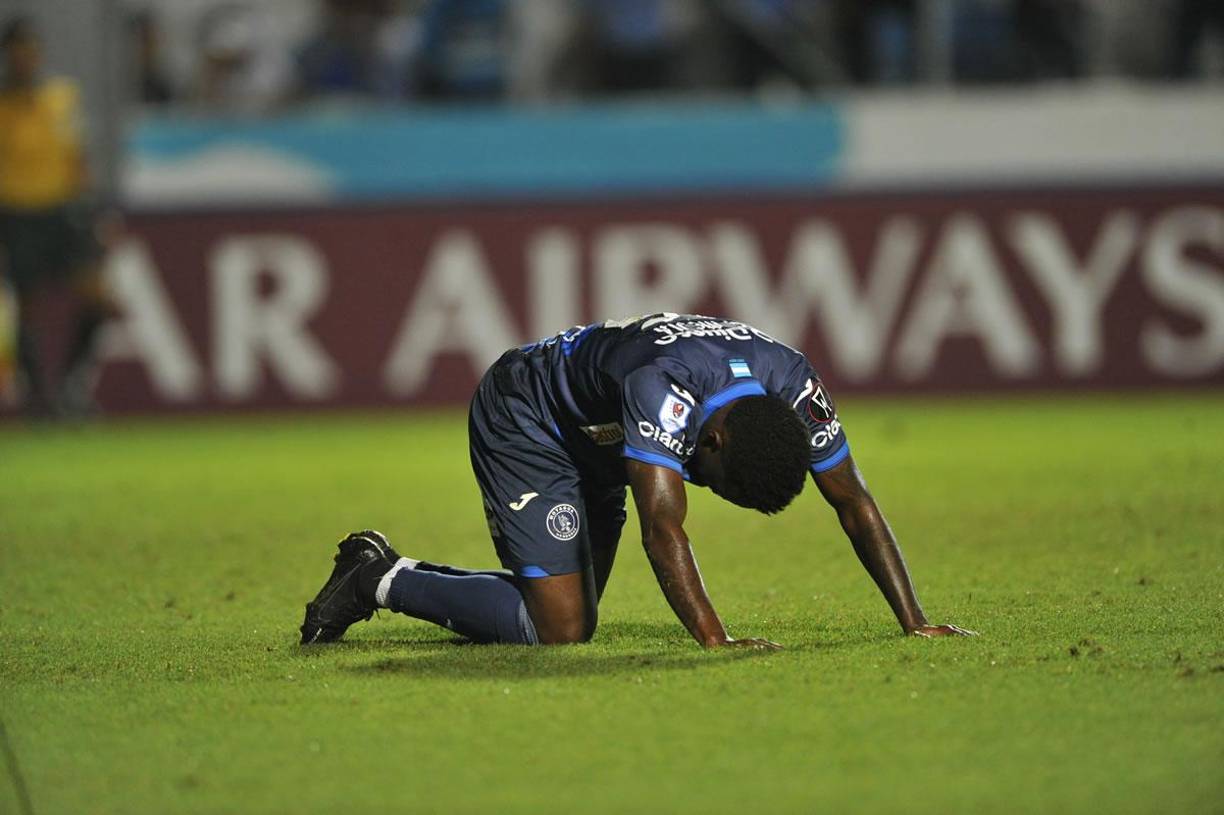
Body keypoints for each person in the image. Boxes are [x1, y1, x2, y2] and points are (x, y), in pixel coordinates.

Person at [301, 314, 974, 648]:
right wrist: (717, 639)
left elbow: (853, 500)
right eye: (711, 480)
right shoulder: (664, 390)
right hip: (529, 414)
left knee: (570, 612)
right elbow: (663, 527)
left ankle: (424, 576)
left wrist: (913, 621)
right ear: (709, 440)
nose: (700, 485)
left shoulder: (793, 381)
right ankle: (374, 574)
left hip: (602, 440)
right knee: (561, 626)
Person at [0, 17, 116, 417]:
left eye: (30, 50)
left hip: (64, 211)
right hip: (16, 212)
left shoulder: (61, 96)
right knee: (26, 309)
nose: (25, 59)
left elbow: (77, 155)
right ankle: (38, 398)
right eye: (17, 51)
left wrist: (93, 208)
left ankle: (70, 383)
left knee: (100, 300)